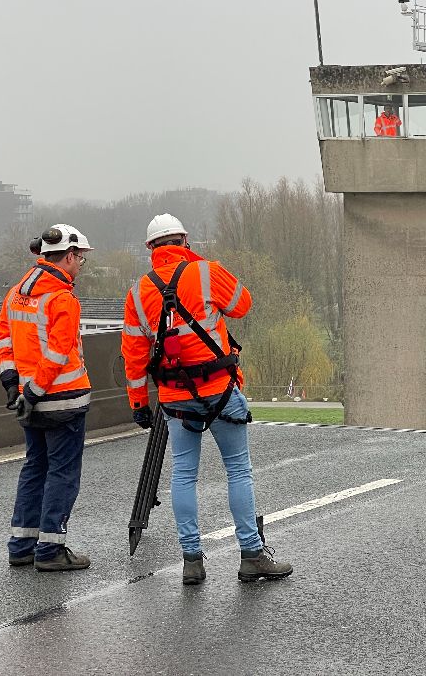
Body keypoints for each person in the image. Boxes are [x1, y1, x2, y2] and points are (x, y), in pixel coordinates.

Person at [122, 213, 293, 585]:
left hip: (174, 397)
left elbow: (134, 355)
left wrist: (138, 403)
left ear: (151, 249)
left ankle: (192, 562)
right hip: (220, 390)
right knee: (237, 469)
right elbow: (242, 304)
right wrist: (199, 266)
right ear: (185, 241)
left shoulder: (138, 292)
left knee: (184, 474)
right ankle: (251, 555)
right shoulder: (206, 272)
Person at [0, 223, 93, 571]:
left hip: (27, 400)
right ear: (66, 257)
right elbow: (58, 351)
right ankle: (50, 550)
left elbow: (4, 339)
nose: (81, 264)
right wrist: (36, 390)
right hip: (61, 399)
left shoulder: (17, 291)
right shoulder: (62, 298)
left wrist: (12, 383)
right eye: (79, 258)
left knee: (35, 467)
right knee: (63, 473)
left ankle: (21, 545)